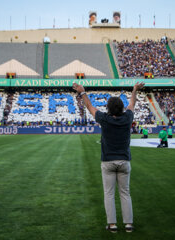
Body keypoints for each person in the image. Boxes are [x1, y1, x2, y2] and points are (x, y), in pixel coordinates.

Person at [72, 81, 145, 233]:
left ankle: (112, 224)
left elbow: (90, 107)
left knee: (109, 194)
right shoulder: (127, 118)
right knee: (125, 193)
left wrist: (83, 92)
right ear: (121, 108)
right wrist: (134, 90)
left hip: (108, 161)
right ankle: (128, 224)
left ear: (108, 108)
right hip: (124, 160)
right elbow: (132, 103)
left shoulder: (104, 119)